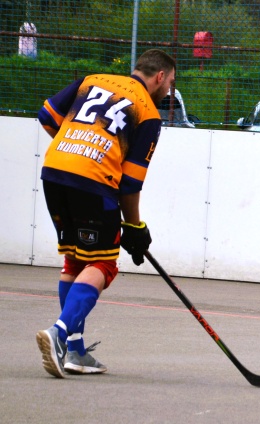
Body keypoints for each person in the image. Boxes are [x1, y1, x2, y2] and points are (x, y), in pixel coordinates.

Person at [34, 49, 176, 378]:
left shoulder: (92, 80)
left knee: (75, 259)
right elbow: (130, 182)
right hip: (93, 183)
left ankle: (76, 351)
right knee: (102, 264)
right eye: (170, 82)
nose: (169, 89)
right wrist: (135, 227)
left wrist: (77, 146)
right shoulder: (149, 113)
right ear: (159, 77)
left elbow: (47, 116)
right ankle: (58, 334)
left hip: (55, 172)